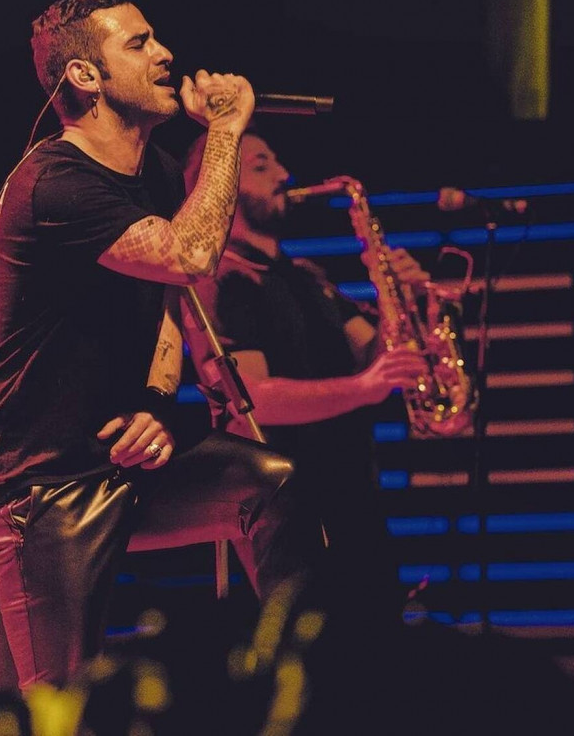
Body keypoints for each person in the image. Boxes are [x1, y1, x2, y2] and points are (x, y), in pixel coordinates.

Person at [0, 0, 326, 692]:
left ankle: (297, 680)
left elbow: (166, 306)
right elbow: (188, 257)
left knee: (271, 484)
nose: (165, 54)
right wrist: (225, 132)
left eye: (156, 38)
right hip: (40, 488)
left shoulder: (150, 171)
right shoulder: (55, 183)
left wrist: (156, 403)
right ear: (85, 76)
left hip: (119, 460)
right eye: (139, 43)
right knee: (63, 705)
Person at [181, 129, 432, 625]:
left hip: (353, 489)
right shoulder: (221, 280)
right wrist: (363, 388)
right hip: (287, 503)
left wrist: (400, 299)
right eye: (261, 165)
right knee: (309, 648)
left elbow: (375, 356)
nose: (283, 174)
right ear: (219, 184)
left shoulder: (307, 277)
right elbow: (252, 400)